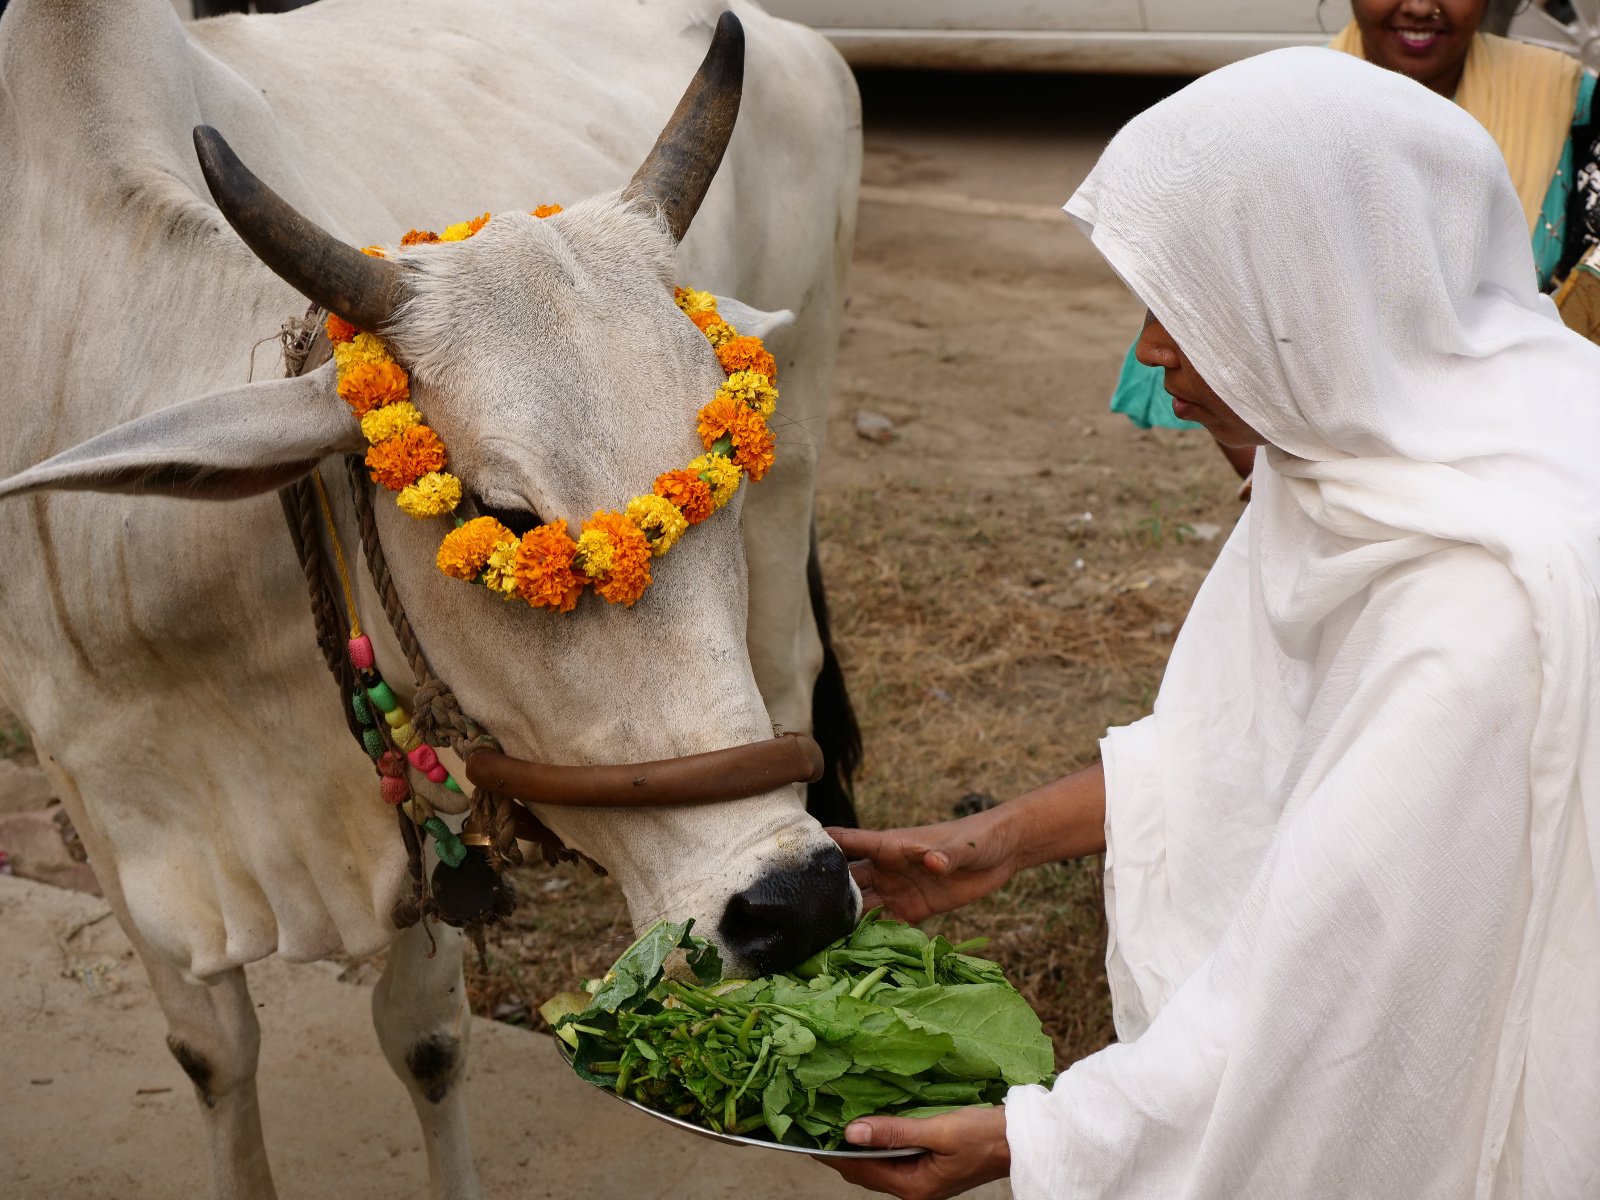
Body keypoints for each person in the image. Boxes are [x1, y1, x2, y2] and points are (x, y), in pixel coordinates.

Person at [817, 47, 1600, 1200]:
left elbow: (1334, 997)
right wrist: (998, 844)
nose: (1148, 352)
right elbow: (1260, 745)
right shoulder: (1385, 446)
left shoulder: (1478, 604)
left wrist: (1039, 1143)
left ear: (1320, 293)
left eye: (1189, 304)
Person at [1111, 0, 1600, 478]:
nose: (1419, 6)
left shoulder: (1570, 102)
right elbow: (1212, 333)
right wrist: (1293, 479)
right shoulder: (1275, 119)